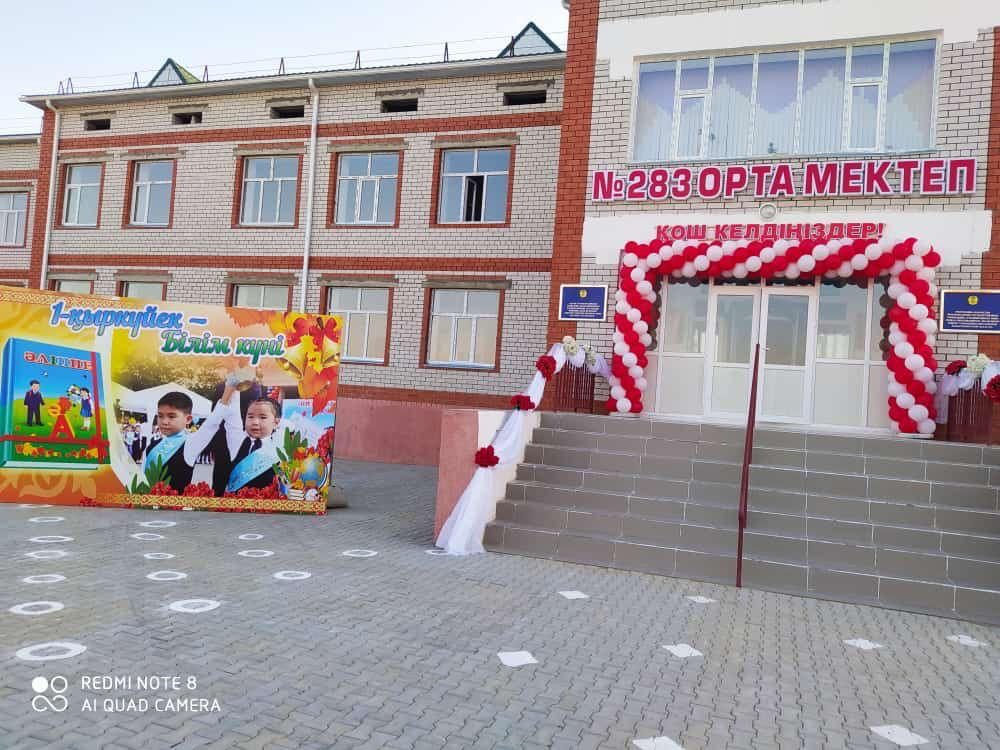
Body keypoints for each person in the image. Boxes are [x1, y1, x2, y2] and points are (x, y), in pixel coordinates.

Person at [141, 391, 222, 494]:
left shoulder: (190, 444)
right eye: (160, 416)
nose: (164, 421)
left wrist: (229, 390)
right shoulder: (152, 445)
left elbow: (212, 424)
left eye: (171, 416)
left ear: (188, 419)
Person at [213, 376, 282, 494]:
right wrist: (235, 382)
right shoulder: (236, 439)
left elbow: (285, 484)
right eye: (250, 416)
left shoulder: (279, 451)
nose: (255, 422)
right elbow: (233, 413)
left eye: (262, 417)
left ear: (276, 422)